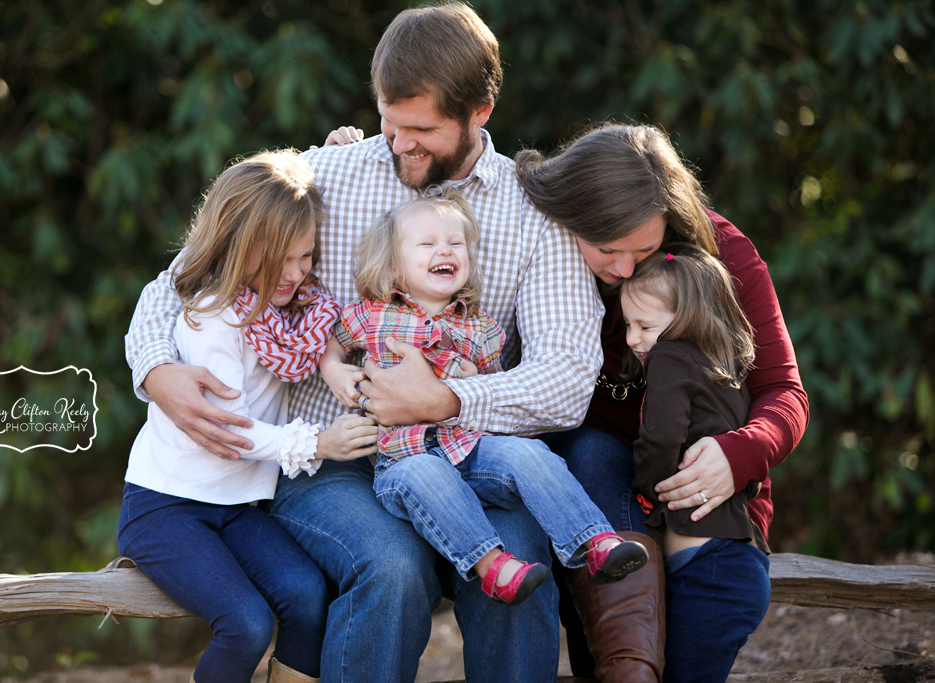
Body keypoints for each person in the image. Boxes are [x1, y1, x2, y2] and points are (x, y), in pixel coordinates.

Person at [124, 4, 604, 682]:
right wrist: (156, 368)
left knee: (520, 553)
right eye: (388, 121)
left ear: (480, 111)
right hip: (333, 458)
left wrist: (446, 398)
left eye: (421, 130)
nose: (398, 142)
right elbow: (186, 276)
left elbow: (569, 376)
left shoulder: (533, 216)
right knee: (391, 566)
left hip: (471, 456)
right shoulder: (332, 172)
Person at [516, 122, 810, 682]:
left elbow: (784, 391)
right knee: (590, 453)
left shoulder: (720, 261)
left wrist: (739, 451)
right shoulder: (543, 248)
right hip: (590, 487)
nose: (624, 269)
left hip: (701, 503)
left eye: (644, 249)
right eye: (606, 249)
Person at [117, 151, 378, 683]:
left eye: (305, 256)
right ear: (236, 245)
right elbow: (227, 433)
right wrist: (320, 444)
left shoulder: (288, 314)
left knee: (308, 597)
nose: (294, 273)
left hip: (238, 507)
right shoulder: (214, 316)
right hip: (167, 509)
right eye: (279, 258)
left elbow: (320, 334)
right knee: (247, 623)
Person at [321, 191, 647, 606]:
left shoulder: (482, 327)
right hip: (403, 461)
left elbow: (492, 388)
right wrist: (335, 369)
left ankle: (594, 543)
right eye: (427, 244)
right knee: (427, 475)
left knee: (529, 455)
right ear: (391, 265)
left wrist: (473, 375)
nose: (445, 250)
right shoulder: (371, 314)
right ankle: (493, 567)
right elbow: (331, 343)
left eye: (456, 243)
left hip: (470, 450)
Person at [621, 246, 771, 681]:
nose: (632, 338)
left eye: (644, 325)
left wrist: (644, 488)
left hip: (712, 573)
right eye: (628, 324)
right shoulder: (725, 369)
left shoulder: (669, 355)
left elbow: (663, 436)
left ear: (684, 320)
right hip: (733, 564)